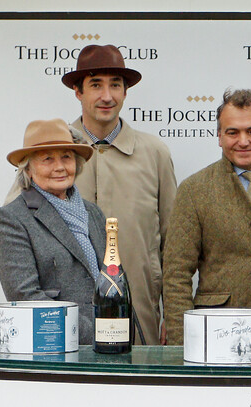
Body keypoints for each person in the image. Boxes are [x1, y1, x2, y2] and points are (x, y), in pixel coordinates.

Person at [162, 89, 251, 344]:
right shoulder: (194, 189)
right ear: (219, 136)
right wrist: (180, 343)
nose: (243, 141)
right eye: (232, 132)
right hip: (219, 332)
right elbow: (176, 275)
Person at [63, 44, 178, 345]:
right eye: (96, 85)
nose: (107, 96)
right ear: (78, 91)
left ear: (126, 92)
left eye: (115, 85)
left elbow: (175, 242)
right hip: (69, 319)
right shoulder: (54, 152)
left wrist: (173, 316)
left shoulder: (154, 153)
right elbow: (11, 226)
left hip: (141, 317)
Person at [0, 119, 104, 343]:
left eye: (66, 157)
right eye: (47, 159)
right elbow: (25, 296)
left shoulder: (94, 213)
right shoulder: (11, 219)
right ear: (28, 169)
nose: (60, 166)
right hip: (53, 350)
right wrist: (93, 334)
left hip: (107, 345)